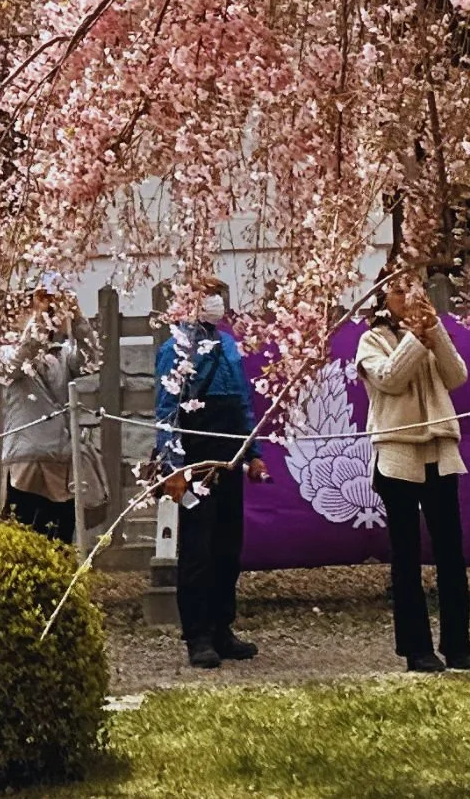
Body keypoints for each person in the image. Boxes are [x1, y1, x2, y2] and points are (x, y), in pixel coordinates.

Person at [357, 269, 470, 673]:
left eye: (411, 289)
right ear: (381, 299)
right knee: (406, 553)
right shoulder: (371, 340)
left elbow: (457, 376)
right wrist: (414, 339)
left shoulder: (430, 331)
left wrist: (434, 331)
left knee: (451, 550)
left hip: (439, 447)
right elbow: (390, 379)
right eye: (396, 291)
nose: (406, 297)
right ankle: (416, 649)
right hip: (397, 451)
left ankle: (458, 644)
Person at [155, 274, 267, 670]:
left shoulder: (230, 346)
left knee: (227, 545)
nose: (215, 302)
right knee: (198, 547)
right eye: (208, 296)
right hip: (194, 456)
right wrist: (172, 466)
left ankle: (222, 627)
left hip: (229, 451)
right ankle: (197, 634)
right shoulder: (175, 348)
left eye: (219, 295)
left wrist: (253, 452)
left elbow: (242, 403)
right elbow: (166, 409)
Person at [3, 288, 91, 546]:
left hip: (60, 457)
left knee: (61, 537)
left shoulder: (61, 354)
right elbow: (17, 363)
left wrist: (77, 317)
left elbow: (89, 360)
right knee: (25, 537)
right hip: (27, 457)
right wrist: (38, 319)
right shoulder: (5, 353)